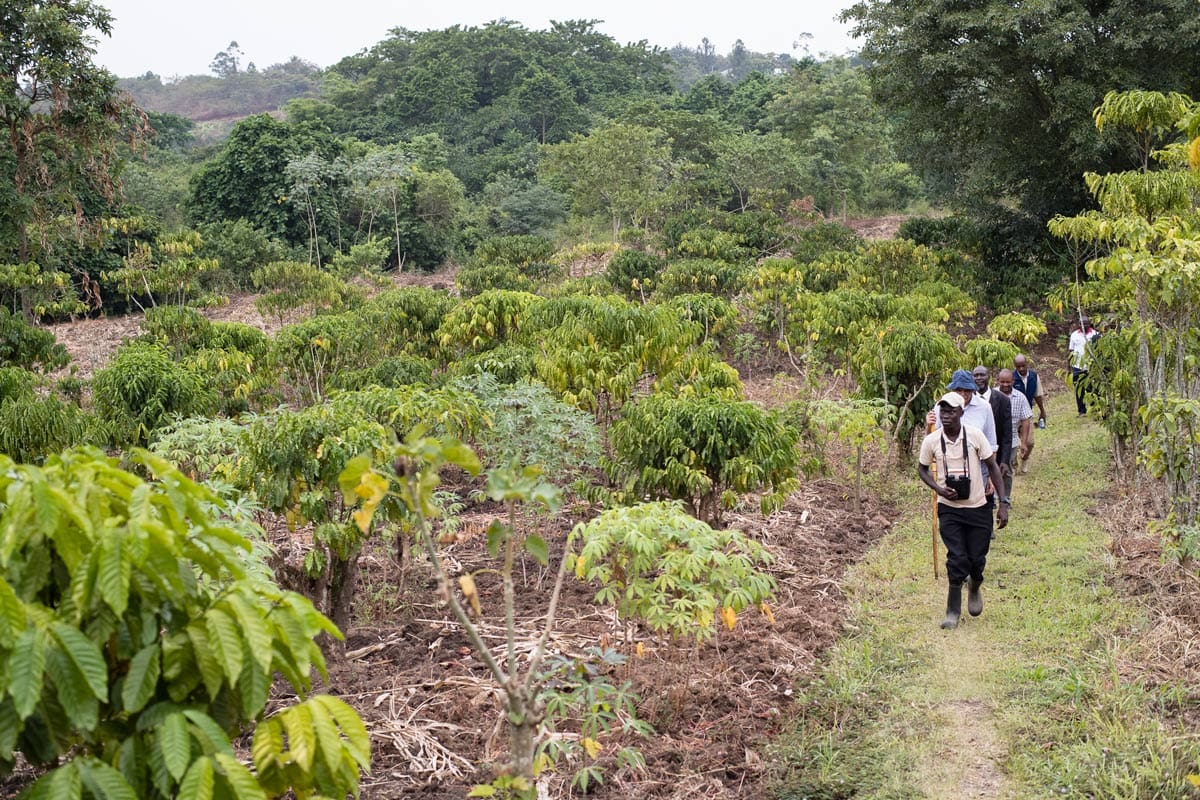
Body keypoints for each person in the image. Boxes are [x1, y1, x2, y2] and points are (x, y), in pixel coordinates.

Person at [918, 392, 1008, 629]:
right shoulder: (932, 441)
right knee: (957, 558)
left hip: (978, 506)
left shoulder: (975, 436)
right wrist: (939, 489)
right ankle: (952, 611)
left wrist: (1003, 503)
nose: (946, 416)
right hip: (949, 509)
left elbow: (993, 467)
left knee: (976, 559)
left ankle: (976, 584)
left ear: (961, 413)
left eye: (951, 411)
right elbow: (922, 469)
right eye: (942, 411)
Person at [973, 365, 1012, 498]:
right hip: (974, 452)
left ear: (988, 377)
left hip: (996, 450)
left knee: (998, 478)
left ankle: (1003, 500)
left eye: (982, 375)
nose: (979, 378)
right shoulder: (968, 400)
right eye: (976, 375)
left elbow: (1007, 433)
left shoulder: (1003, 400)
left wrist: (1005, 460)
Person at [996, 369, 1033, 502]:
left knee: (1007, 469)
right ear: (998, 381)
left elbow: (1026, 420)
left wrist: (1023, 442)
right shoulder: (992, 395)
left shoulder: (1020, 397)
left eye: (1008, 382)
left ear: (1013, 381)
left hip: (1011, 440)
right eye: (1002, 382)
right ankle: (993, 498)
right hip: (993, 439)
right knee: (993, 468)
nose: (1005, 385)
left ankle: (1005, 498)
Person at [1068, 316, 1099, 415]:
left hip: (1091, 366)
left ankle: (1095, 408)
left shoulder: (1095, 334)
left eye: (1086, 323)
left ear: (1089, 323)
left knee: (1092, 388)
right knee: (1079, 389)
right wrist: (1069, 367)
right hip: (1077, 366)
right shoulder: (1074, 335)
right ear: (1078, 324)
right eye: (1081, 323)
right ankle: (1082, 411)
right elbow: (1071, 351)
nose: (1083, 325)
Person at [1013, 354, 1047, 430]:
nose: (1021, 369)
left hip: (1027, 413)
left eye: (1023, 366)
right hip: (1014, 415)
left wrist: (1042, 411)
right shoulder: (1012, 378)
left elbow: (1037, 395)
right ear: (1015, 366)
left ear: (1027, 364)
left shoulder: (1033, 376)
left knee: (1029, 440)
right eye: (1018, 367)